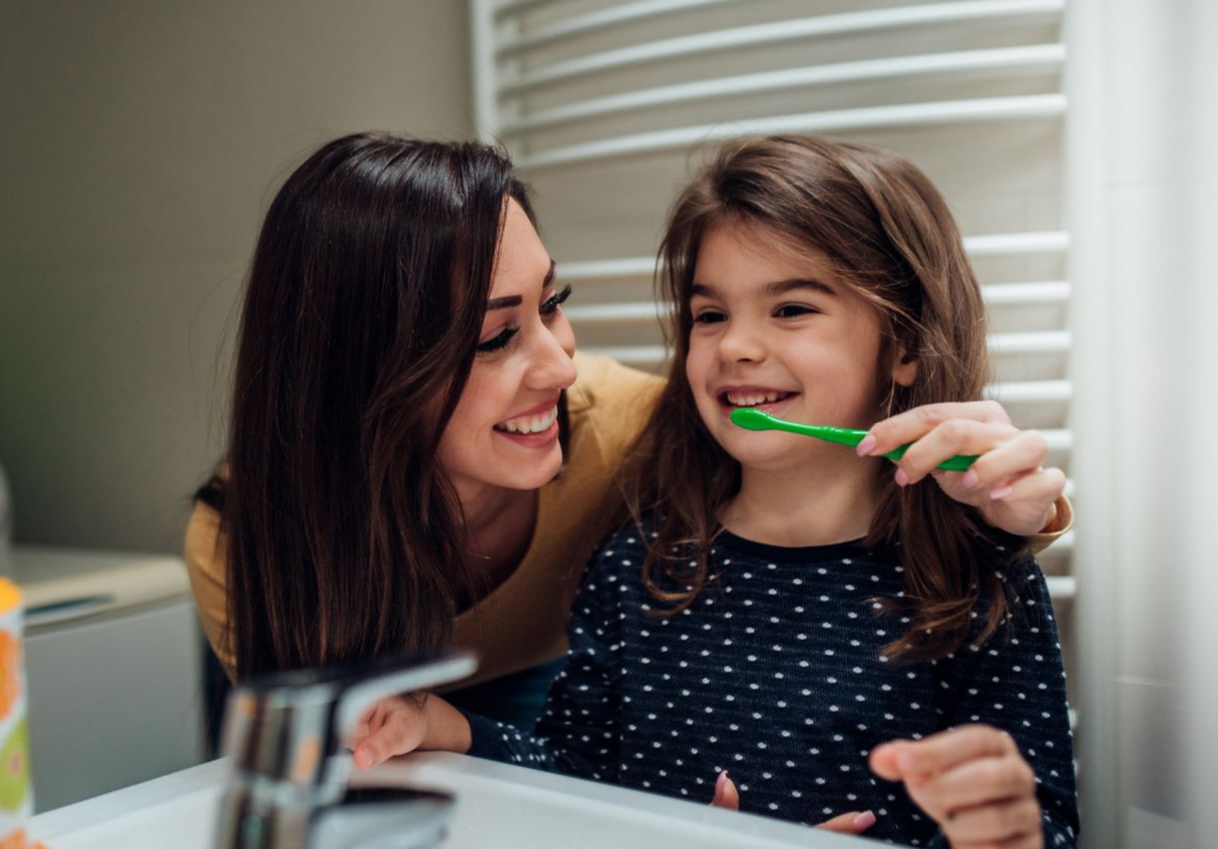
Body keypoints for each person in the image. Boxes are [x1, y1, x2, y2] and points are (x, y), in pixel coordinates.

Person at [186, 132, 1073, 731]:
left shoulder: (638, 431)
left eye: (552, 305)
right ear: (367, 375)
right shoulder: (245, 542)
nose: (561, 366)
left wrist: (1019, 511)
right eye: (497, 336)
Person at [349, 136, 1077, 849]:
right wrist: (452, 729)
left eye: (790, 308)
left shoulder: (974, 583)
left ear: (905, 345)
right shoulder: (634, 566)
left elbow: (1037, 825)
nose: (735, 345)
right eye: (709, 315)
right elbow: (573, 780)